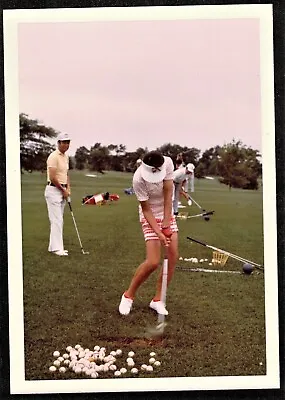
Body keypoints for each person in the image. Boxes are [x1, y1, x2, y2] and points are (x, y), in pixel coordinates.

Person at [119, 150, 178, 316]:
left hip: (166, 213)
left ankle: (157, 300)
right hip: (149, 214)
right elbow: (146, 209)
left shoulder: (167, 163)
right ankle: (128, 296)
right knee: (153, 262)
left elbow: (168, 193)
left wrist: (167, 222)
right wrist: (159, 232)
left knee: (172, 257)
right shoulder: (138, 179)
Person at [44, 133, 71, 256]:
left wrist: (68, 189)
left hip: (62, 191)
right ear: (58, 143)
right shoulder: (53, 156)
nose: (66, 144)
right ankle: (57, 248)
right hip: (53, 190)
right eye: (64, 142)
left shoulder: (66, 157)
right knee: (57, 220)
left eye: (68, 142)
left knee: (58, 220)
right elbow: (53, 177)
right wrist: (62, 189)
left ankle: (53, 247)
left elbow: (66, 175)